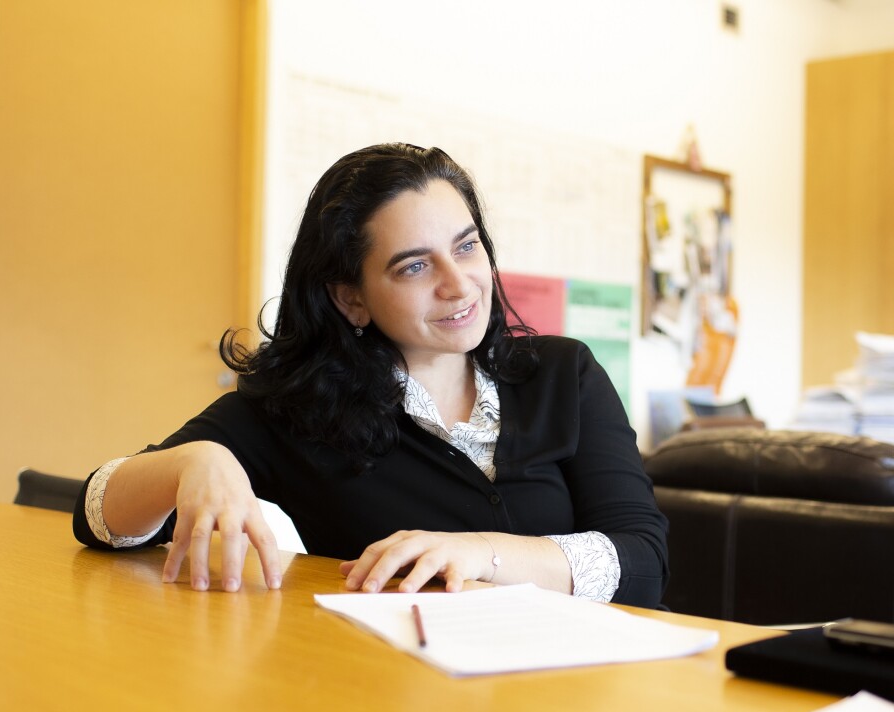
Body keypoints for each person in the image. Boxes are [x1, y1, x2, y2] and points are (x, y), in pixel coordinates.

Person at [73, 142, 668, 608]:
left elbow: (643, 561)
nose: (458, 284)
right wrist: (190, 463)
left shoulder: (564, 373)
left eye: (466, 247)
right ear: (351, 298)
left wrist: (480, 554)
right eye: (414, 267)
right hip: (396, 698)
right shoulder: (300, 406)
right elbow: (98, 517)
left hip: (585, 693)